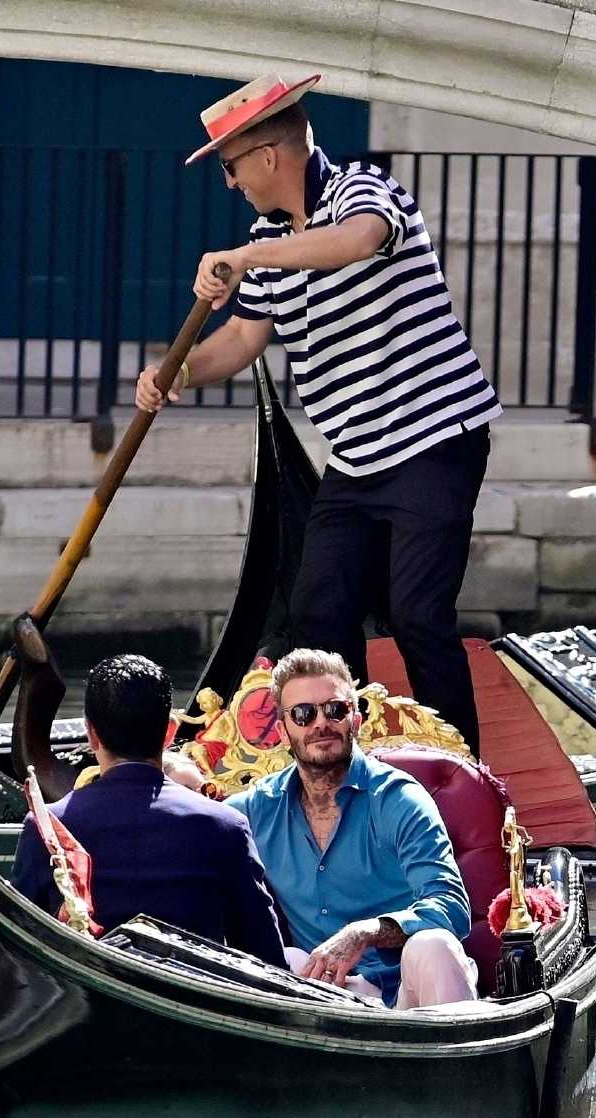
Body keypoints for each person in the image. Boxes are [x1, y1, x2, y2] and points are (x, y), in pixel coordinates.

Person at [135, 74, 501, 757]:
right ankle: (348, 759)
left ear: (270, 156)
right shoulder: (267, 240)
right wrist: (175, 370)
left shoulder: (363, 188)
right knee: (317, 612)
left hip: (433, 440)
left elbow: (357, 241)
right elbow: (244, 339)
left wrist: (245, 257)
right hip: (358, 460)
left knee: (419, 613)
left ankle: (466, 771)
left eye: (231, 165)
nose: (230, 181)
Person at [226, 648, 478, 1009]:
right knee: (289, 960)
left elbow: (450, 906)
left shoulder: (399, 799)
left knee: (433, 945)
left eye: (335, 710)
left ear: (355, 720)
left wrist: (367, 932)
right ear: (283, 731)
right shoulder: (254, 809)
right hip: (323, 998)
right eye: (303, 714)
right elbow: (193, 835)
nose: (320, 724)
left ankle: (458, 1062)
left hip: (411, 994)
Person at [11, 653, 287, 967]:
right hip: (194, 1006)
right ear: (170, 732)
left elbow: (18, 951)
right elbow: (267, 961)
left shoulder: (46, 826)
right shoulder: (225, 826)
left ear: (91, 734)